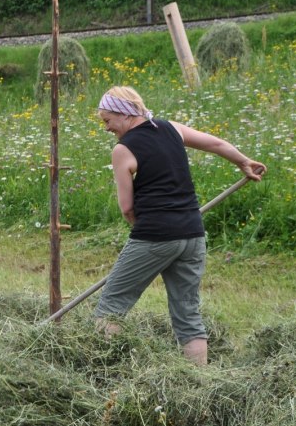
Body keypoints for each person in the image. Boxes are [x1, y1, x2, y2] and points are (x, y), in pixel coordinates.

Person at [93, 86, 266, 366]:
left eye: (107, 120)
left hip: (154, 234)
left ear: (123, 114)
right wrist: (243, 162)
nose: (107, 128)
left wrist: (148, 233)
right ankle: (199, 380)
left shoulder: (123, 150)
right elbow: (216, 144)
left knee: (111, 306)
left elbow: (127, 208)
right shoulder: (170, 128)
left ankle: (101, 371)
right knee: (188, 312)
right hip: (192, 233)